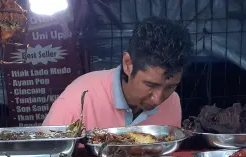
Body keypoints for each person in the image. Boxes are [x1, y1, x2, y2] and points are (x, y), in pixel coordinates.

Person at [43, 17, 192, 130]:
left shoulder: (172, 102)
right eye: (150, 84)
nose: (158, 99)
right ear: (128, 64)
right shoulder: (79, 100)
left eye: (170, 87)